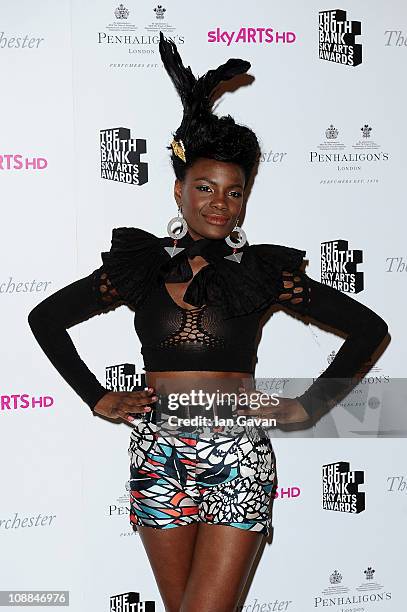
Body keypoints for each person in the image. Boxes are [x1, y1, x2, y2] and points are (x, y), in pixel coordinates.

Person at [28, 32, 388, 612]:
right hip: (157, 449)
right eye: (205, 188)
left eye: (234, 192)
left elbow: (370, 329)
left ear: (245, 200)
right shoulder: (139, 269)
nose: (220, 203)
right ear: (179, 191)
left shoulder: (263, 273)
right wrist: (97, 397)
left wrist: (307, 406)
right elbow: (45, 318)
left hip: (237, 451)